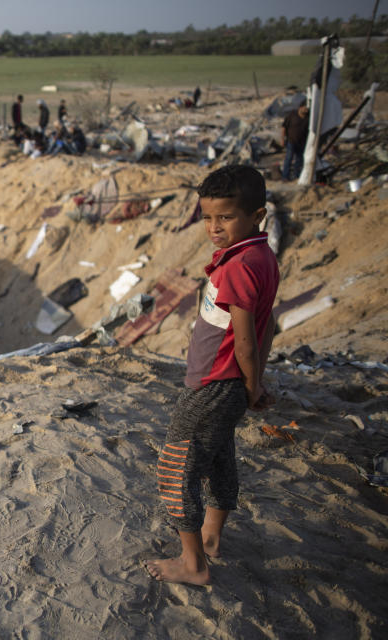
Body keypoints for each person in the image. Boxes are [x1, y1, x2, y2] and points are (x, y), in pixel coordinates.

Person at [145, 165, 279, 586]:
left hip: (213, 386)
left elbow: (245, 342)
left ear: (257, 215)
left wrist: (252, 385)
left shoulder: (238, 266)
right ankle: (213, 538)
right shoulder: (260, 256)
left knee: (176, 469)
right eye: (207, 217)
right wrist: (251, 384)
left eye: (225, 217)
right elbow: (268, 323)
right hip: (229, 386)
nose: (214, 227)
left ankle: (194, 564)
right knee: (220, 458)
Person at [281, 101, 310, 182]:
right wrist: (282, 139)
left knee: (299, 160)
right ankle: (285, 177)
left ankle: (296, 175)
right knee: (288, 159)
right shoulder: (292, 115)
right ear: (300, 107)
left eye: (307, 109)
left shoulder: (309, 117)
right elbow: (284, 127)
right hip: (291, 141)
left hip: (302, 143)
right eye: (305, 108)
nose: (306, 110)